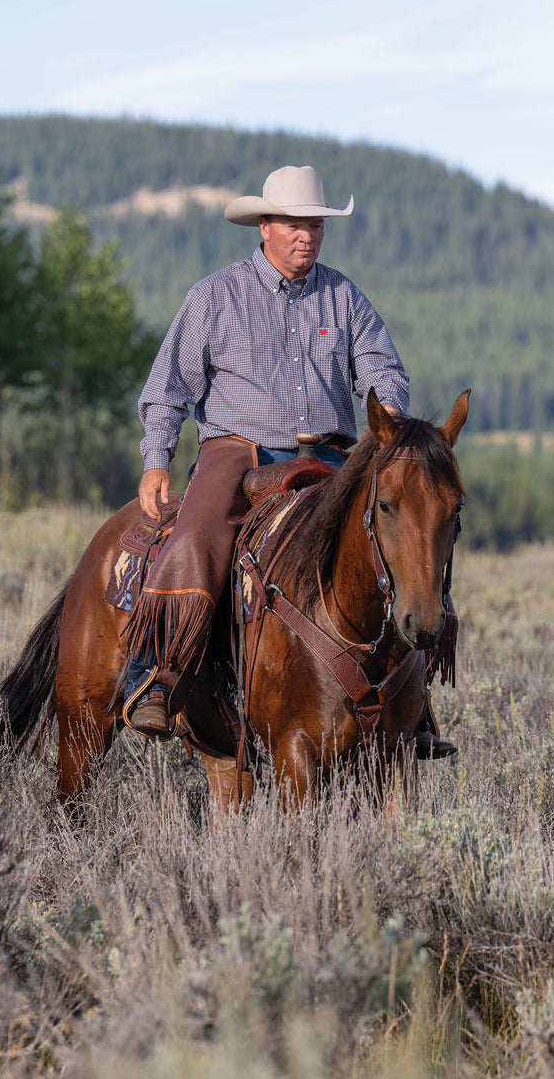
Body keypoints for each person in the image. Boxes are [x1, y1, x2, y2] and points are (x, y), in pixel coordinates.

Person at [121, 165, 455, 759]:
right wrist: (156, 460)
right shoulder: (216, 296)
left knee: (400, 537)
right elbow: (168, 384)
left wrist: (391, 418)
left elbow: (384, 367)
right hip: (237, 451)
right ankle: (159, 673)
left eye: (316, 226)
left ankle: (412, 705)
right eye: (296, 225)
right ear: (265, 226)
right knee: (196, 535)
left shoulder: (344, 296)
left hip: (329, 455)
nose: (308, 236)